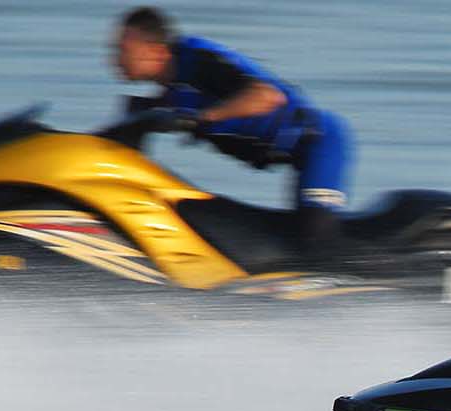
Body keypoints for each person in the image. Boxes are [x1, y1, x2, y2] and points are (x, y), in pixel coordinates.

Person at [110, 6, 353, 257]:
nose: (114, 60)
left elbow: (267, 97)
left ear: (156, 51)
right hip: (290, 155)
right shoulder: (165, 98)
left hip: (318, 141)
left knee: (314, 242)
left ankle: (368, 283)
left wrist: (201, 119)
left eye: (122, 51)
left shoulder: (197, 61)